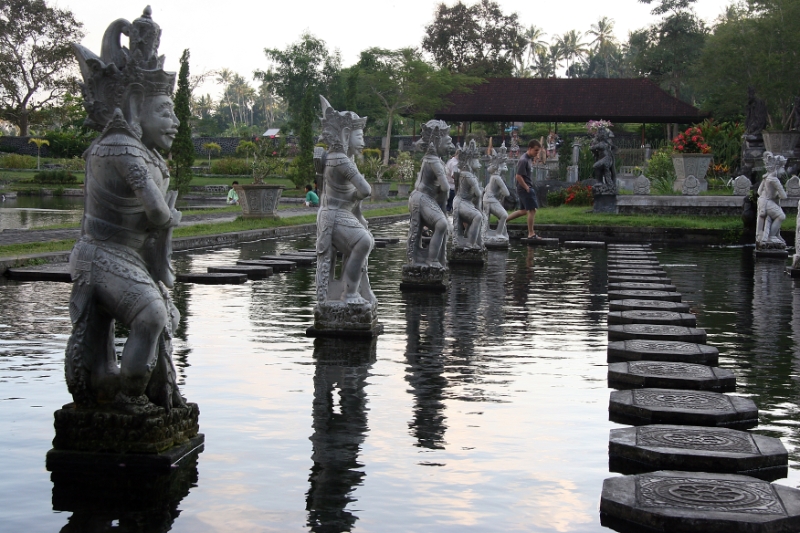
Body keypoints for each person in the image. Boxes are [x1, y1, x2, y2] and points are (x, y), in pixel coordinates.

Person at [506, 139, 541, 239]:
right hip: (525, 188)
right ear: (530, 148)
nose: (537, 153)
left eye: (538, 151)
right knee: (532, 210)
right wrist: (527, 187)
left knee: (524, 211)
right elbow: (518, 176)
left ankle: (503, 220)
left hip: (524, 188)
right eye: (536, 150)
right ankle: (531, 233)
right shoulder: (523, 160)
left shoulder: (528, 159)